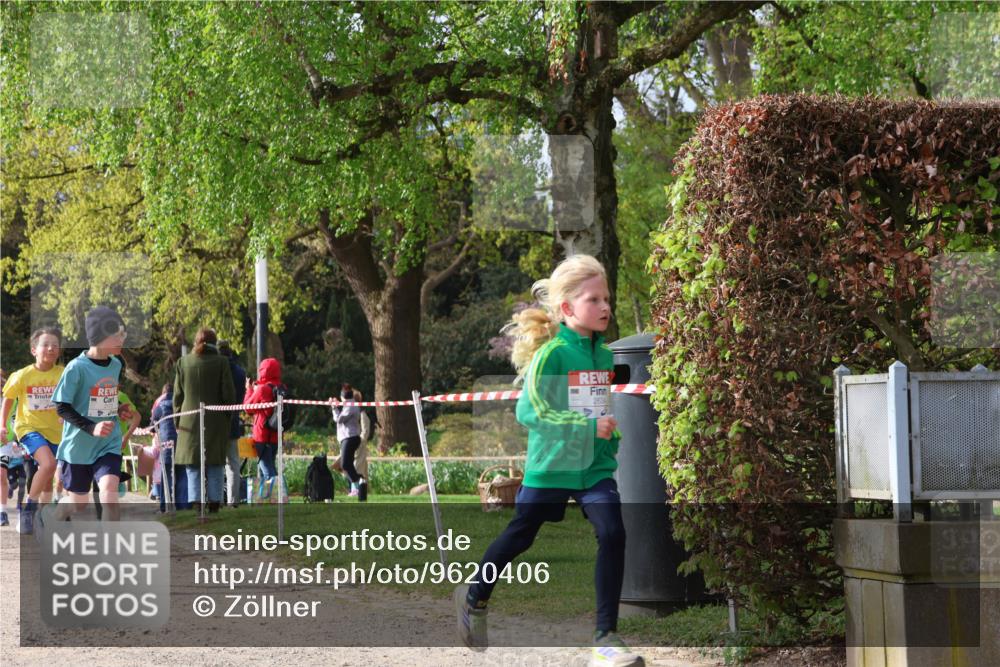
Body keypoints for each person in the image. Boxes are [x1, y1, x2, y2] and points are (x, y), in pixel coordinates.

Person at [453, 255, 641, 667]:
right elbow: (530, 413)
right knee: (522, 535)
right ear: (569, 308)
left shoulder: (605, 357)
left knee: (613, 532)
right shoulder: (552, 355)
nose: (605, 306)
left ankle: (606, 637)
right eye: (594, 299)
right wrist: (586, 428)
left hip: (593, 471)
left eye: (607, 298)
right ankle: (475, 597)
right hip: (551, 467)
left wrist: (608, 437)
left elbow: (598, 413)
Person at [46, 306, 133, 528]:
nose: (123, 339)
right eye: (118, 334)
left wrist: (118, 408)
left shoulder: (116, 364)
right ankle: (50, 517)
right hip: (78, 446)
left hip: (108, 442)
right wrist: (91, 427)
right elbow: (62, 407)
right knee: (78, 503)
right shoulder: (76, 368)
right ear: (101, 337)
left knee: (109, 493)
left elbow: (103, 397)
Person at [0, 327, 64, 534]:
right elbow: (8, 400)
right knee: (49, 464)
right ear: (34, 350)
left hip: (56, 431)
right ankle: (28, 510)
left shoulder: (64, 374)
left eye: (55, 345)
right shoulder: (22, 375)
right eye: (46, 344)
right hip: (29, 427)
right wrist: (2, 425)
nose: (51, 348)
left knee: (47, 478)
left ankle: (40, 517)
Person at [173, 328, 235, 513]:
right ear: (214, 343)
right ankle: (215, 502)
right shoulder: (222, 362)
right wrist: (226, 416)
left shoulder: (183, 362)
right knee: (215, 462)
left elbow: (177, 396)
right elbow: (229, 394)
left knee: (193, 465)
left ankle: (197, 502)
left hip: (188, 420)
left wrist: (178, 420)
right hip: (216, 419)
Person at [243, 358, 284, 492]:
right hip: (276, 435)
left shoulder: (262, 389)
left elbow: (248, 408)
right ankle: (265, 496)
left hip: (262, 435)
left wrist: (249, 390)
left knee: (267, 470)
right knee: (269, 466)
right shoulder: (282, 388)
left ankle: (279, 496)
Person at [218, 340, 246, 507]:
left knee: (216, 464)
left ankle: (217, 500)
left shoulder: (217, 371)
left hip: (216, 422)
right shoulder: (240, 372)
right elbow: (241, 398)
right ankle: (233, 501)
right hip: (233, 420)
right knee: (233, 464)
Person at [151, 383, 187, 510]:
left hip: (166, 444)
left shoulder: (159, 405)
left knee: (166, 474)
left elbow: (153, 426)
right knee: (182, 473)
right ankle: (183, 505)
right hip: (182, 443)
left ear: (163, 393)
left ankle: (165, 505)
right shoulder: (182, 403)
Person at [331, 382, 365, 502]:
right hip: (349, 438)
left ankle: (358, 484)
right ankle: (358, 486)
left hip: (350, 438)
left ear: (343, 396)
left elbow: (339, 420)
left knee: (345, 464)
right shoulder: (349, 404)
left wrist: (334, 407)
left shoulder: (350, 406)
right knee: (348, 464)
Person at [350, 389, 376, 497]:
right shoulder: (353, 413)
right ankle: (362, 489)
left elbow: (365, 431)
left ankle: (356, 490)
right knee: (357, 467)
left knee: (357, 467)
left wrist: (359, 441)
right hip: (353, 443)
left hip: (358, 444)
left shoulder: (361, 414)